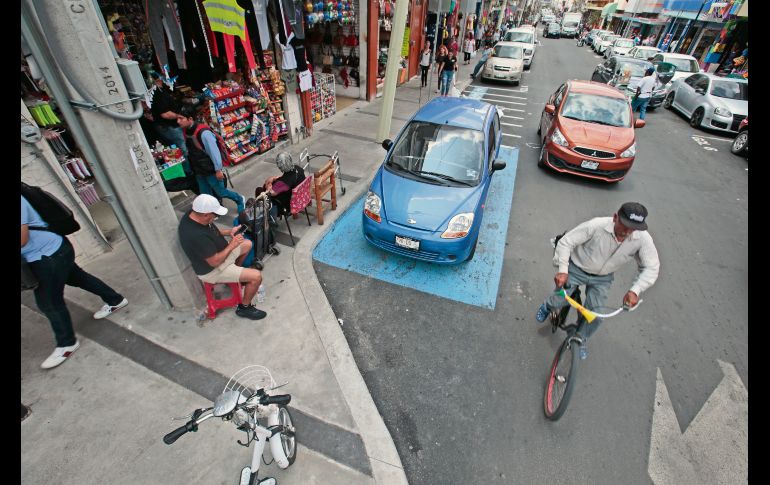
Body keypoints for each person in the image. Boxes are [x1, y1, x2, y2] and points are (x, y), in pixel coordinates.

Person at [535, 203, 660, 359]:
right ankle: (547, 306)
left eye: (634, 228)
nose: (628, 231)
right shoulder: (596, 225)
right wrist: (562, 270)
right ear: (615, 218)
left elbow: (651, 267)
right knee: (559, 299)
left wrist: (635, 290)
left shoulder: (642, 239)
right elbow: (566, 242)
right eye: (626, 225)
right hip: (577, 268)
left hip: (603, 278)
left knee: (596, 314)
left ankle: (581, 338)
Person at [22, 194, 129, 369]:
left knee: (49, 303)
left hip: (48, 255)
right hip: (54, 250)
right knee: (78, 277)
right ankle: (115, 300)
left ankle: (66, 344)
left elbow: (22, 238)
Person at [178, 194, 266, 320]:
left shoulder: (194, 214)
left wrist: (229, 232)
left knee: (247, 244)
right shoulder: (195, 235)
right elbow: (214, 262)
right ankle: (244, 308)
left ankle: (237, 273)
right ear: (206, 214)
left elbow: (211, 231)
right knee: (256, 277)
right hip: (213, 270)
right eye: (215, 215)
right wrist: (232, 244)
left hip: (222, 256)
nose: (216, 218)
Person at [176, 106, 245, 215]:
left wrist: (218, 170)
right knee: (206, 194)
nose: (178, 121)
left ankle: (240, 199)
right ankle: (212, 212)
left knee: (221, 192)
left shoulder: (203, 133)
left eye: (180, 118)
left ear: (190, 119)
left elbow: (214, 153)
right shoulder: (186, 131)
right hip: (199, 170)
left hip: (211, 170)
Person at [260, 152, 307, 253]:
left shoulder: (283, 183)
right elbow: (284, 179)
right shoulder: (298, 169)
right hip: (299, 199)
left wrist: (268, 183)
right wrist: (275, 178)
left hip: (285, 205)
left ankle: (265, 218)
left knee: (260, 192)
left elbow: (271, 192)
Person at [150, 72, 188, 165]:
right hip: (169, 126)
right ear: (158, 80)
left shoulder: (157, 92)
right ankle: (187, 171)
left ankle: (182, 171)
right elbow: (165, 114)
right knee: (182, 149)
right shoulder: (158, 93)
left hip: (163, 126)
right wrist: (179, 116)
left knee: (173, 149)